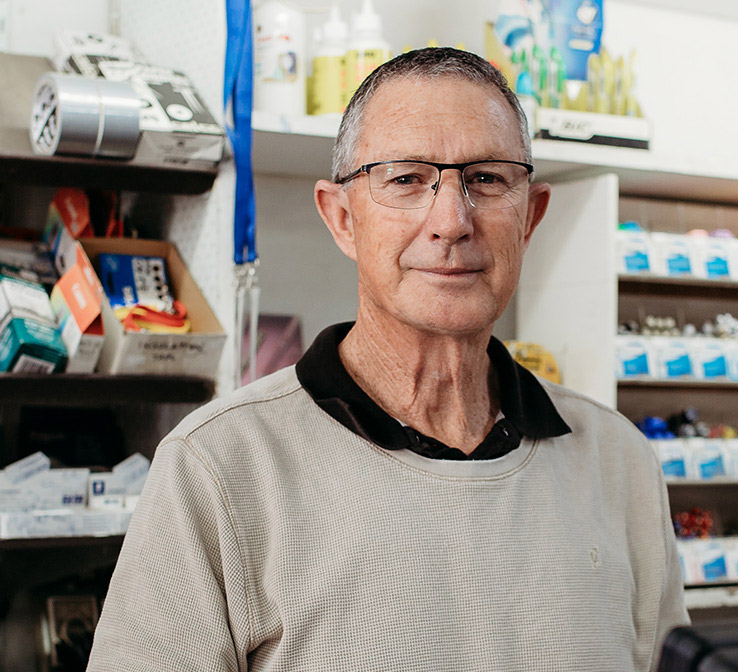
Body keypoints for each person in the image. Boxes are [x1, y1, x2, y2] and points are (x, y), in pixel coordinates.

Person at [87, 47, 688, 671]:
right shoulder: (218, 467)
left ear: (529, 217)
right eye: (405, 179)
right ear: (342, 218)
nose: (452, 221)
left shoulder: (619, 463)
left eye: (487, 178)